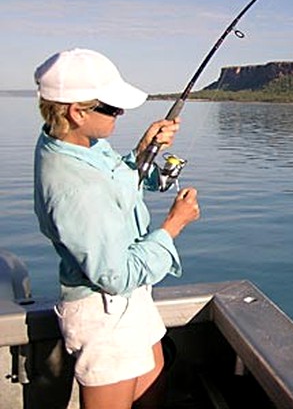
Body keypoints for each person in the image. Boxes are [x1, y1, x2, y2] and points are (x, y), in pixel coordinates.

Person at [33, 48, 200, 408]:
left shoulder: (74, 143)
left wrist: (144, 151)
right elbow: (114, 275)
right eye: (110, 107)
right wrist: (173, 226)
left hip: (131, 304)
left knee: (153, 389)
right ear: (77, 112)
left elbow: (112, 183)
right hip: (105, 315)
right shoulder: (74, 188)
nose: (120, 113)